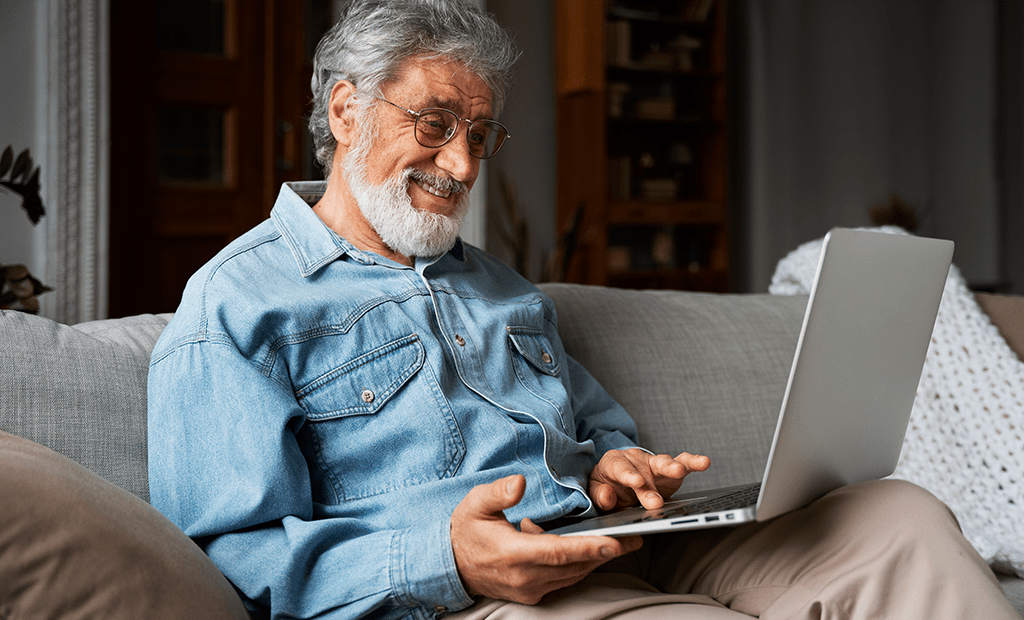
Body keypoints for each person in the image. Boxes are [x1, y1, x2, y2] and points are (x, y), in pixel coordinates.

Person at [146, 1, 1019, 619]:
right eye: (436, 123)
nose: (462, 165)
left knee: (897, 515)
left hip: (614, 543)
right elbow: (227, 559)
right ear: (345, 109)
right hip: (469, 596)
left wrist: (619, 468)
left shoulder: (499, 287)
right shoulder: (236, 304)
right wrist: (446, 559)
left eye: (479, 136)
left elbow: (600, 434)